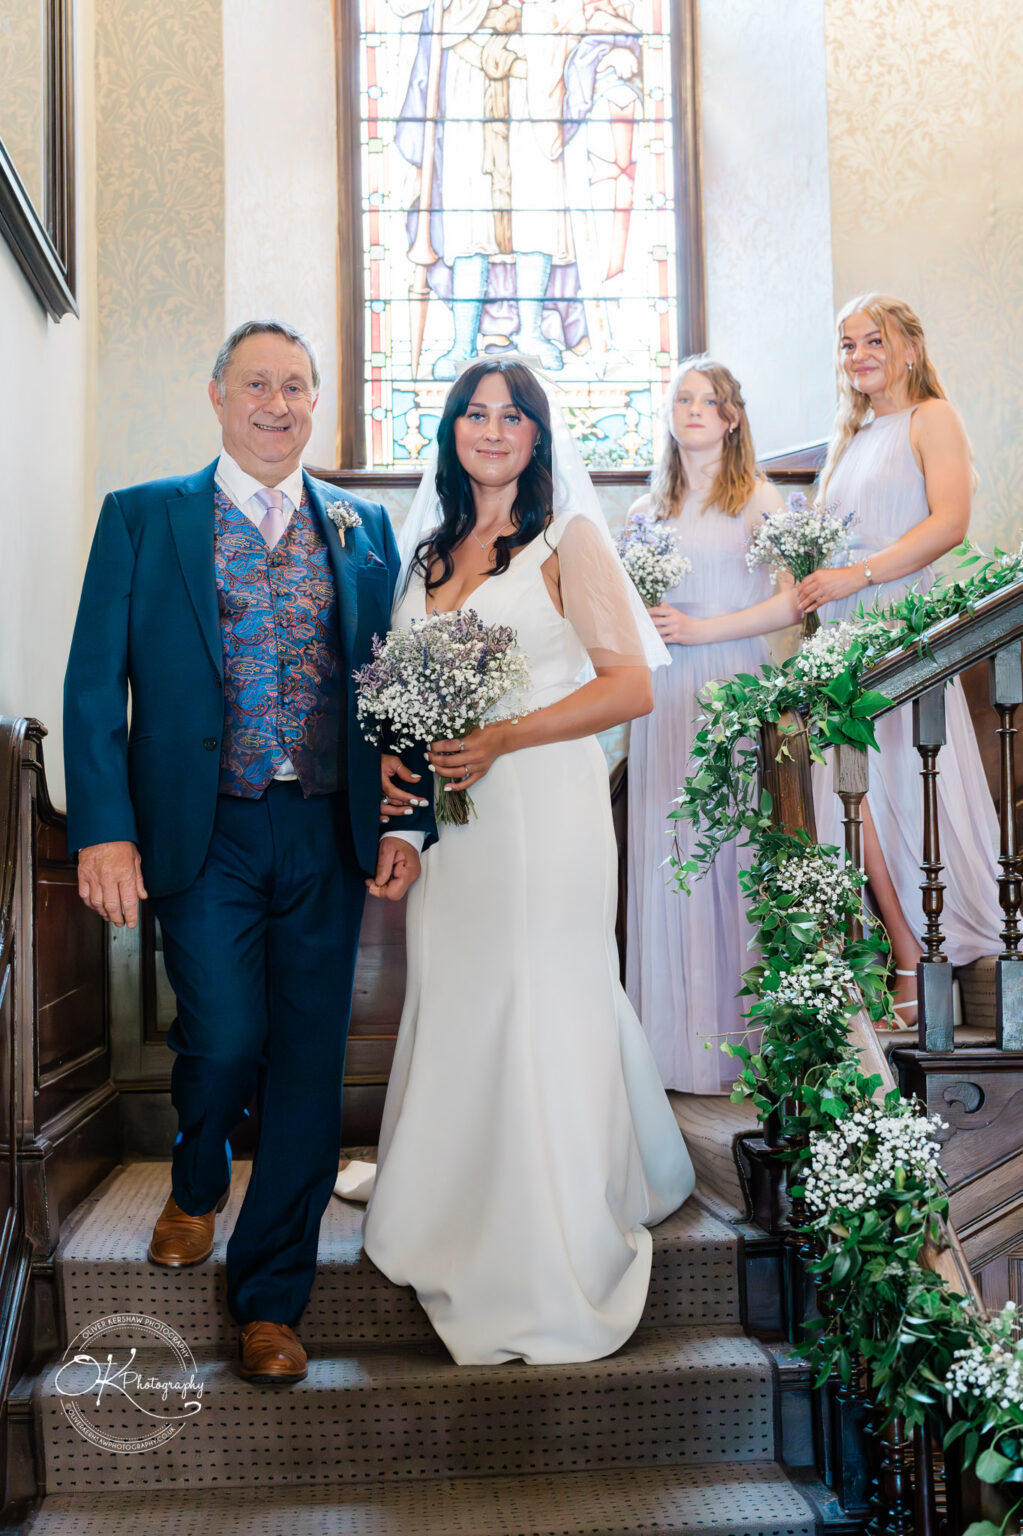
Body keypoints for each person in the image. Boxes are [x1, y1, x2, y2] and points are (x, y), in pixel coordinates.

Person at [63, 320, 433, 1386]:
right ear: (218, 395)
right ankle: (197, 1179)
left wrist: (406, 818)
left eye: (297, 387)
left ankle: (271, 1298)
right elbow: (94, 684)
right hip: (202, 827)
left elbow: (397, 681)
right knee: (224, 1037)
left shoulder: (363, 525)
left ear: (315, 402)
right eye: (258, 384)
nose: (278, 404)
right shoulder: (143, 517)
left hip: (325, 826)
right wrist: (103, 827)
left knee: (309, 1064)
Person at [361, 358, 694, 1366]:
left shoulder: (567, 539)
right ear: (452, 432)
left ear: (538, 436)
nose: (492, 429)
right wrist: (397, 776)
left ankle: (545, 1223)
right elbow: (406, 696)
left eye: (512, 416)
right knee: (464, 992)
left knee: (538, 991)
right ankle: (453, 1193)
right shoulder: (427, 552)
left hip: (543, 805)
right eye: (475, 414)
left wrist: (506, 736)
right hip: (456, 825)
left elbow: (630, 687)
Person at [798, 294, 1002, 1018]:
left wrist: (856, 576)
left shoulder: (931, 418)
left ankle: (931, 954)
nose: (858, 355)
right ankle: (905, 950)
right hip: (841, 636)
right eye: (847, 344)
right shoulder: (850, 437)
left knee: (907, 787)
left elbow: (949, 523)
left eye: (874, 341)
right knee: (853, 794)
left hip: (896, 625)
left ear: (910, 348)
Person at [625, 358, 798, 1092]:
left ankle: (740, 1046)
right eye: (681, 399)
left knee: (727, 852)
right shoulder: (645, 511)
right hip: (663, 696)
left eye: (708, 400)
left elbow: (791, 603)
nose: (693, 410)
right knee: (670, 850)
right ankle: (672, 1049)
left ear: (731, 418)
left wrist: (702, 630)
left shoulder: (758, 499)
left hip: (730, 685)